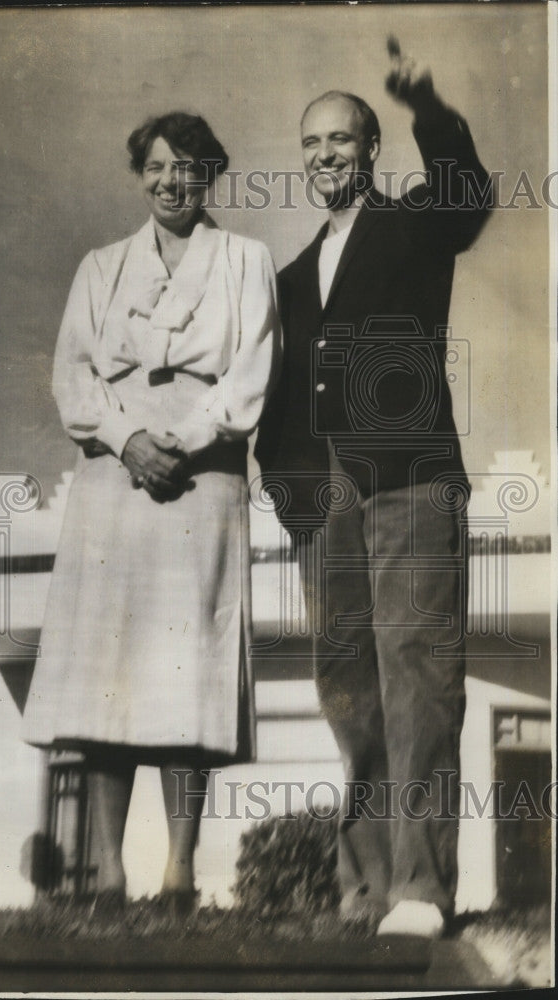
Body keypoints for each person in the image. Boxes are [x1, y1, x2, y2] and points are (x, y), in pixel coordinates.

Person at [255, 38, 491, 938]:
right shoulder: (284, 279)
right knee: (347, 691)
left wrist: (425, 103)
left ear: (370, 150)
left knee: (420, 686)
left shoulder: (415, 225)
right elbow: (274, 401)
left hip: (411, 488)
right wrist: (292, 497)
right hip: (328, 508)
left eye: (343, 140)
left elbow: (468, 194)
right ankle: (363, 892)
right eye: (312, 143)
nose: (325, 155)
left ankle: (423, 891)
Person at [22, 111, 281, 913]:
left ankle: (176, 870)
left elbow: (250, 373)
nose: (172, 182)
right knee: (109, 673)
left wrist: (184, 439)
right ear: (141, 174)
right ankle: (105, 869)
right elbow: (72, 379)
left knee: (185, 672)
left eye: (189, 167)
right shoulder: (101, 267)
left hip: (201, 481)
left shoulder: (245, 260)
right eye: (158, 167)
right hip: (112, 479)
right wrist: (130, 439)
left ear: (212, 174)